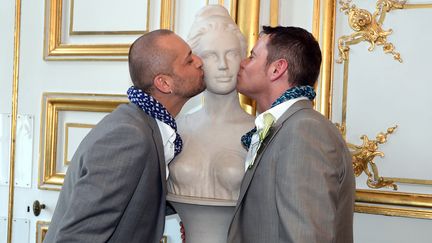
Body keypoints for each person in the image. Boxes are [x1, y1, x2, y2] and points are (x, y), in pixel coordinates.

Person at [43, 29, 205, 243]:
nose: (200, 61)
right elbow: (78, 237)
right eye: (189, 59)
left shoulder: (146, 126)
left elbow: (136, 203)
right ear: (164, 83)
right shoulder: (129, 136)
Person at [227, 26, 355, 243]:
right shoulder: (288, 126)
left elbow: (306, 237)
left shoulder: (303, 130)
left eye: (252, 56)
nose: (242, 63)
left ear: (277, 69)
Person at [166, 5, 254, 243]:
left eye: (232, 53)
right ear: (196, 62)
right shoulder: (175, 128)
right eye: (211, 55)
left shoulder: (259, 132)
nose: (224, 64)